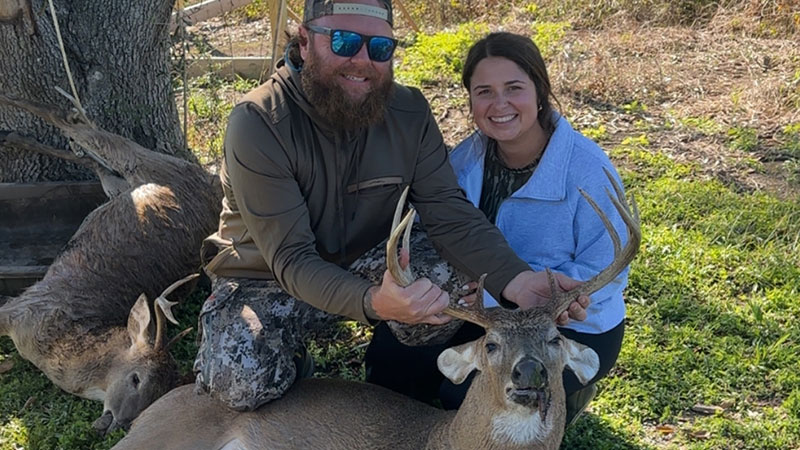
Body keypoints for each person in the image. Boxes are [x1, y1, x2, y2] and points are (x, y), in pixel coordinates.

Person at [194, 1, 589, 412]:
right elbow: (291, 258)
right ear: (305, 42)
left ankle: (410, 376)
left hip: (372, 262)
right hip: (268, 277)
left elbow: (449, 213)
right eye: (345, 42)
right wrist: (373, 303)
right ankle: (295, 361)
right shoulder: (258, 121)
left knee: (450, 282)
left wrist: (518, 280)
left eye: (380, 48)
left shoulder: (409, 112)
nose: (362, 61)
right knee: (237, 384)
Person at [365, 31, 629, 426]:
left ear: (540, 92)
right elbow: (437, 233)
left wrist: (549, 295)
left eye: (514, 88)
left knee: (464, 393)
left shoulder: (588, 170)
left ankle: (565, 400)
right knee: (391, 360)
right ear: (469, 100)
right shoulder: (464, 159)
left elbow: (606, 271)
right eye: (483, 91)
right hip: (483, 314)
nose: (499, 104)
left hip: (569, 325)